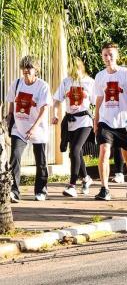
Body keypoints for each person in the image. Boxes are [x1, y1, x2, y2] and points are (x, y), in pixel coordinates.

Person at [93, 42, 127, 201]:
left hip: (125, 122)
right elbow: (99, 99)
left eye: (110, 54)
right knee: (104, 152)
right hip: (106, 122)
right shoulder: (100, 76)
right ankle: (104, 189)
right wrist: (96, 120)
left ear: (116, 56)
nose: (108, 58)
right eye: (105, 55)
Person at [7, 56, 53, 202]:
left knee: (40, 161)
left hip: (37, 130)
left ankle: (41, 190)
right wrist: (8, 117)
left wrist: (34, 128)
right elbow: (11, 103)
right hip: (19, 129)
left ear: (36, 70)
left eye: (30, 68)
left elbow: (44, 109)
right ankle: (14, 191)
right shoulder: (17, 83)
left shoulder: (42, 86)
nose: (26, 70)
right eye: (24, 67)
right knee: (15, 157)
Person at [54, 58, 95, 197]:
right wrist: (54, 114)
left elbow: (97, 100)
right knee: (76, 153)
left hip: (84, 120)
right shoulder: (66, 81)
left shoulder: (89, 82)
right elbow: (56, 99)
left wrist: (99, 119)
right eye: (70, 68)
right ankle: (86, 178)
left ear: (80, 67)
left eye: (75, 67)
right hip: (70, 121)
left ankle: (72, 185)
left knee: (76, 149)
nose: (73, 71)